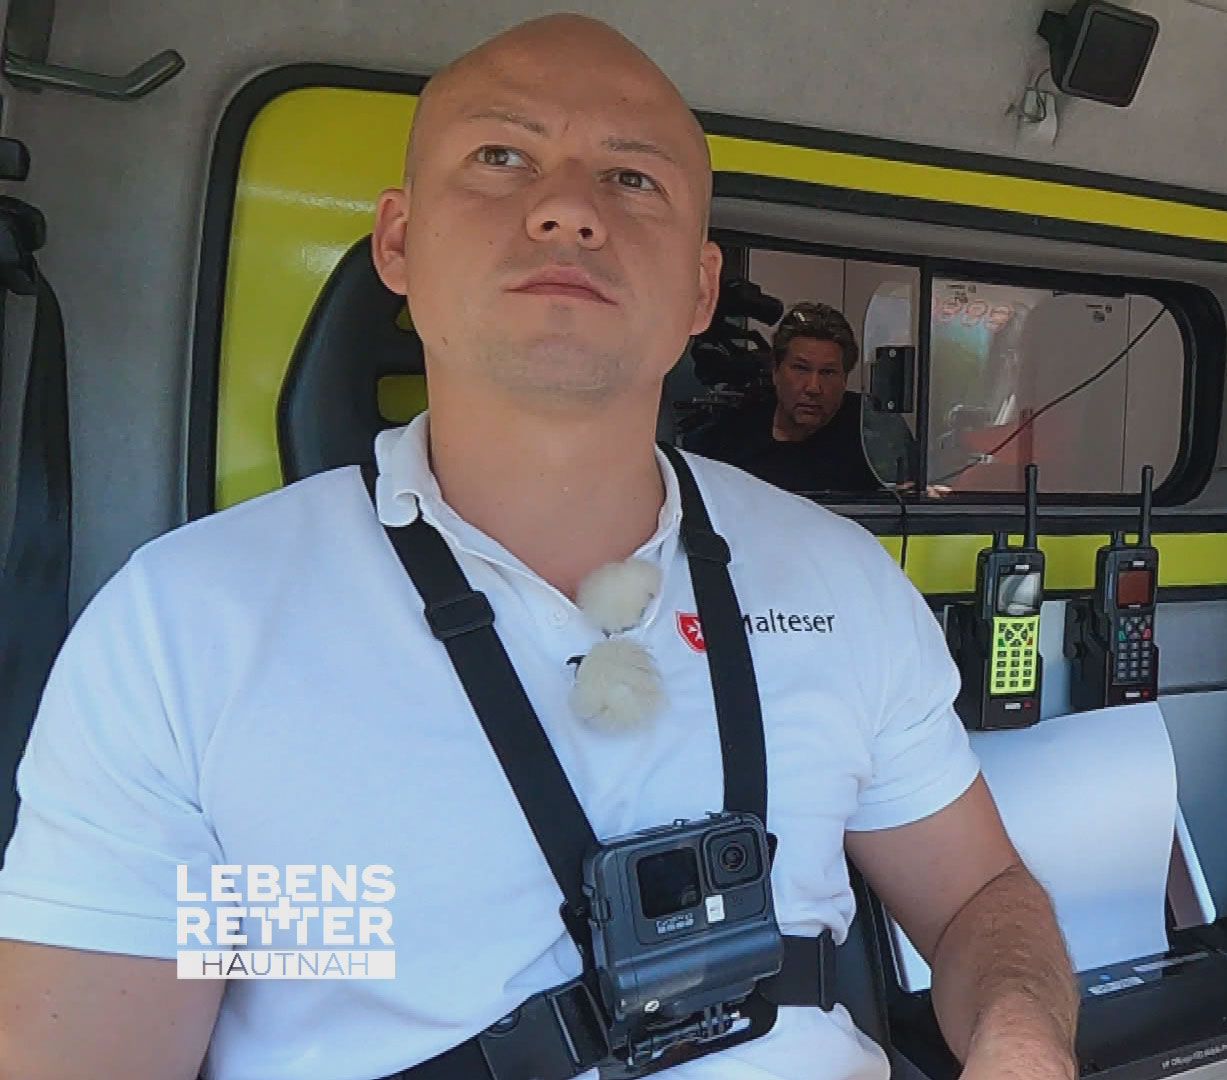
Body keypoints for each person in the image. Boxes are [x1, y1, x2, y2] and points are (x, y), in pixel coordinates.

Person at [0, 15, 1076, 1080]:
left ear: (701, 291)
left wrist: (1022, 1036)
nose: (567, 209)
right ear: (399, 243)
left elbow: (983, 898)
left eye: (632, 179)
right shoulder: (182, 632)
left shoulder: (839, 580)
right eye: (501, 157)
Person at [687, 302, 911, 493]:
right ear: (776, 371)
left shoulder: (875, 430)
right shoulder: (727, 438)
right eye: (801, 369)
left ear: (845, 378)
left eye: (828, 372)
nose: (813, 387)